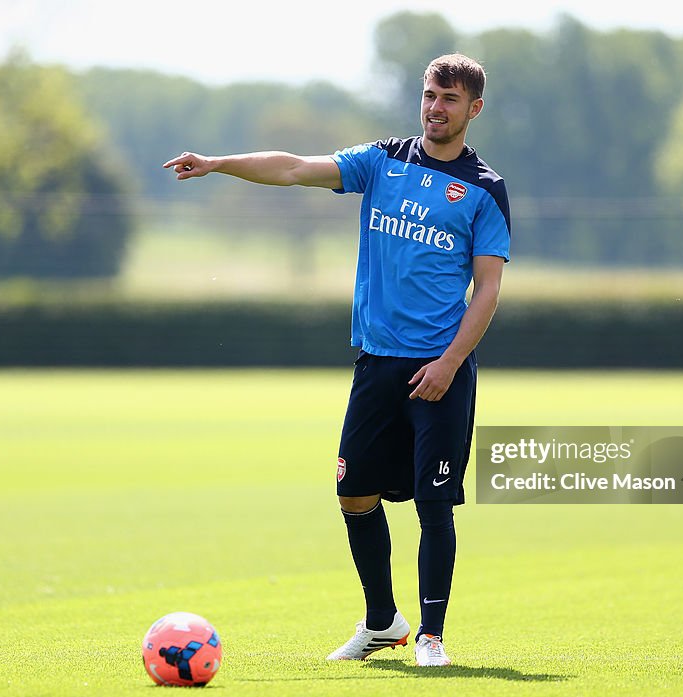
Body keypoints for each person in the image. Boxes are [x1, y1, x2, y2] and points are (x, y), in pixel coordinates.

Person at [163, 53, 511, 668]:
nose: (436, 107)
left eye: (450, 99)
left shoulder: (484, 190)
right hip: (377, 363)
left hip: (440, 369)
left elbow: (486, 289)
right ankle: (383, 621)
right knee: (353, 493)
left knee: (434, 503)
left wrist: (451, 363)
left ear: (473, 109)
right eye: (430, 94)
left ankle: (431, 634)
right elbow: (295, 168)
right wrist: (219, 164)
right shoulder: (384, 161)